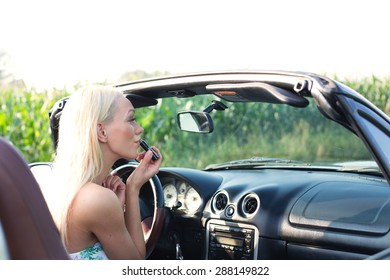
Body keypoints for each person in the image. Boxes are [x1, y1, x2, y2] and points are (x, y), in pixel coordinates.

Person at [50, 85, 162, 260]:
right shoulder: (98, 199)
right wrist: (133, 189)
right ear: (102, 131)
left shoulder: (60, 187)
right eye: (131, 119)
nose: (139, 129)